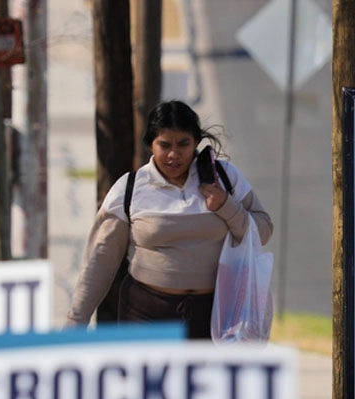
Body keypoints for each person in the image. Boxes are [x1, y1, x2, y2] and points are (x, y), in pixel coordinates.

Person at [65, 100, 273, 338]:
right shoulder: (130, 189)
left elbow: (263, 231)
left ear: (196, 142)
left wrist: (227, 206)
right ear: (150, 145)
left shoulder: (225, 178)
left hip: (216, 316)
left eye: (183, 144)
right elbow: (100, 260)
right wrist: (76, 322)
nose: (174, 154)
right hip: (145, 316)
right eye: (164, 145)